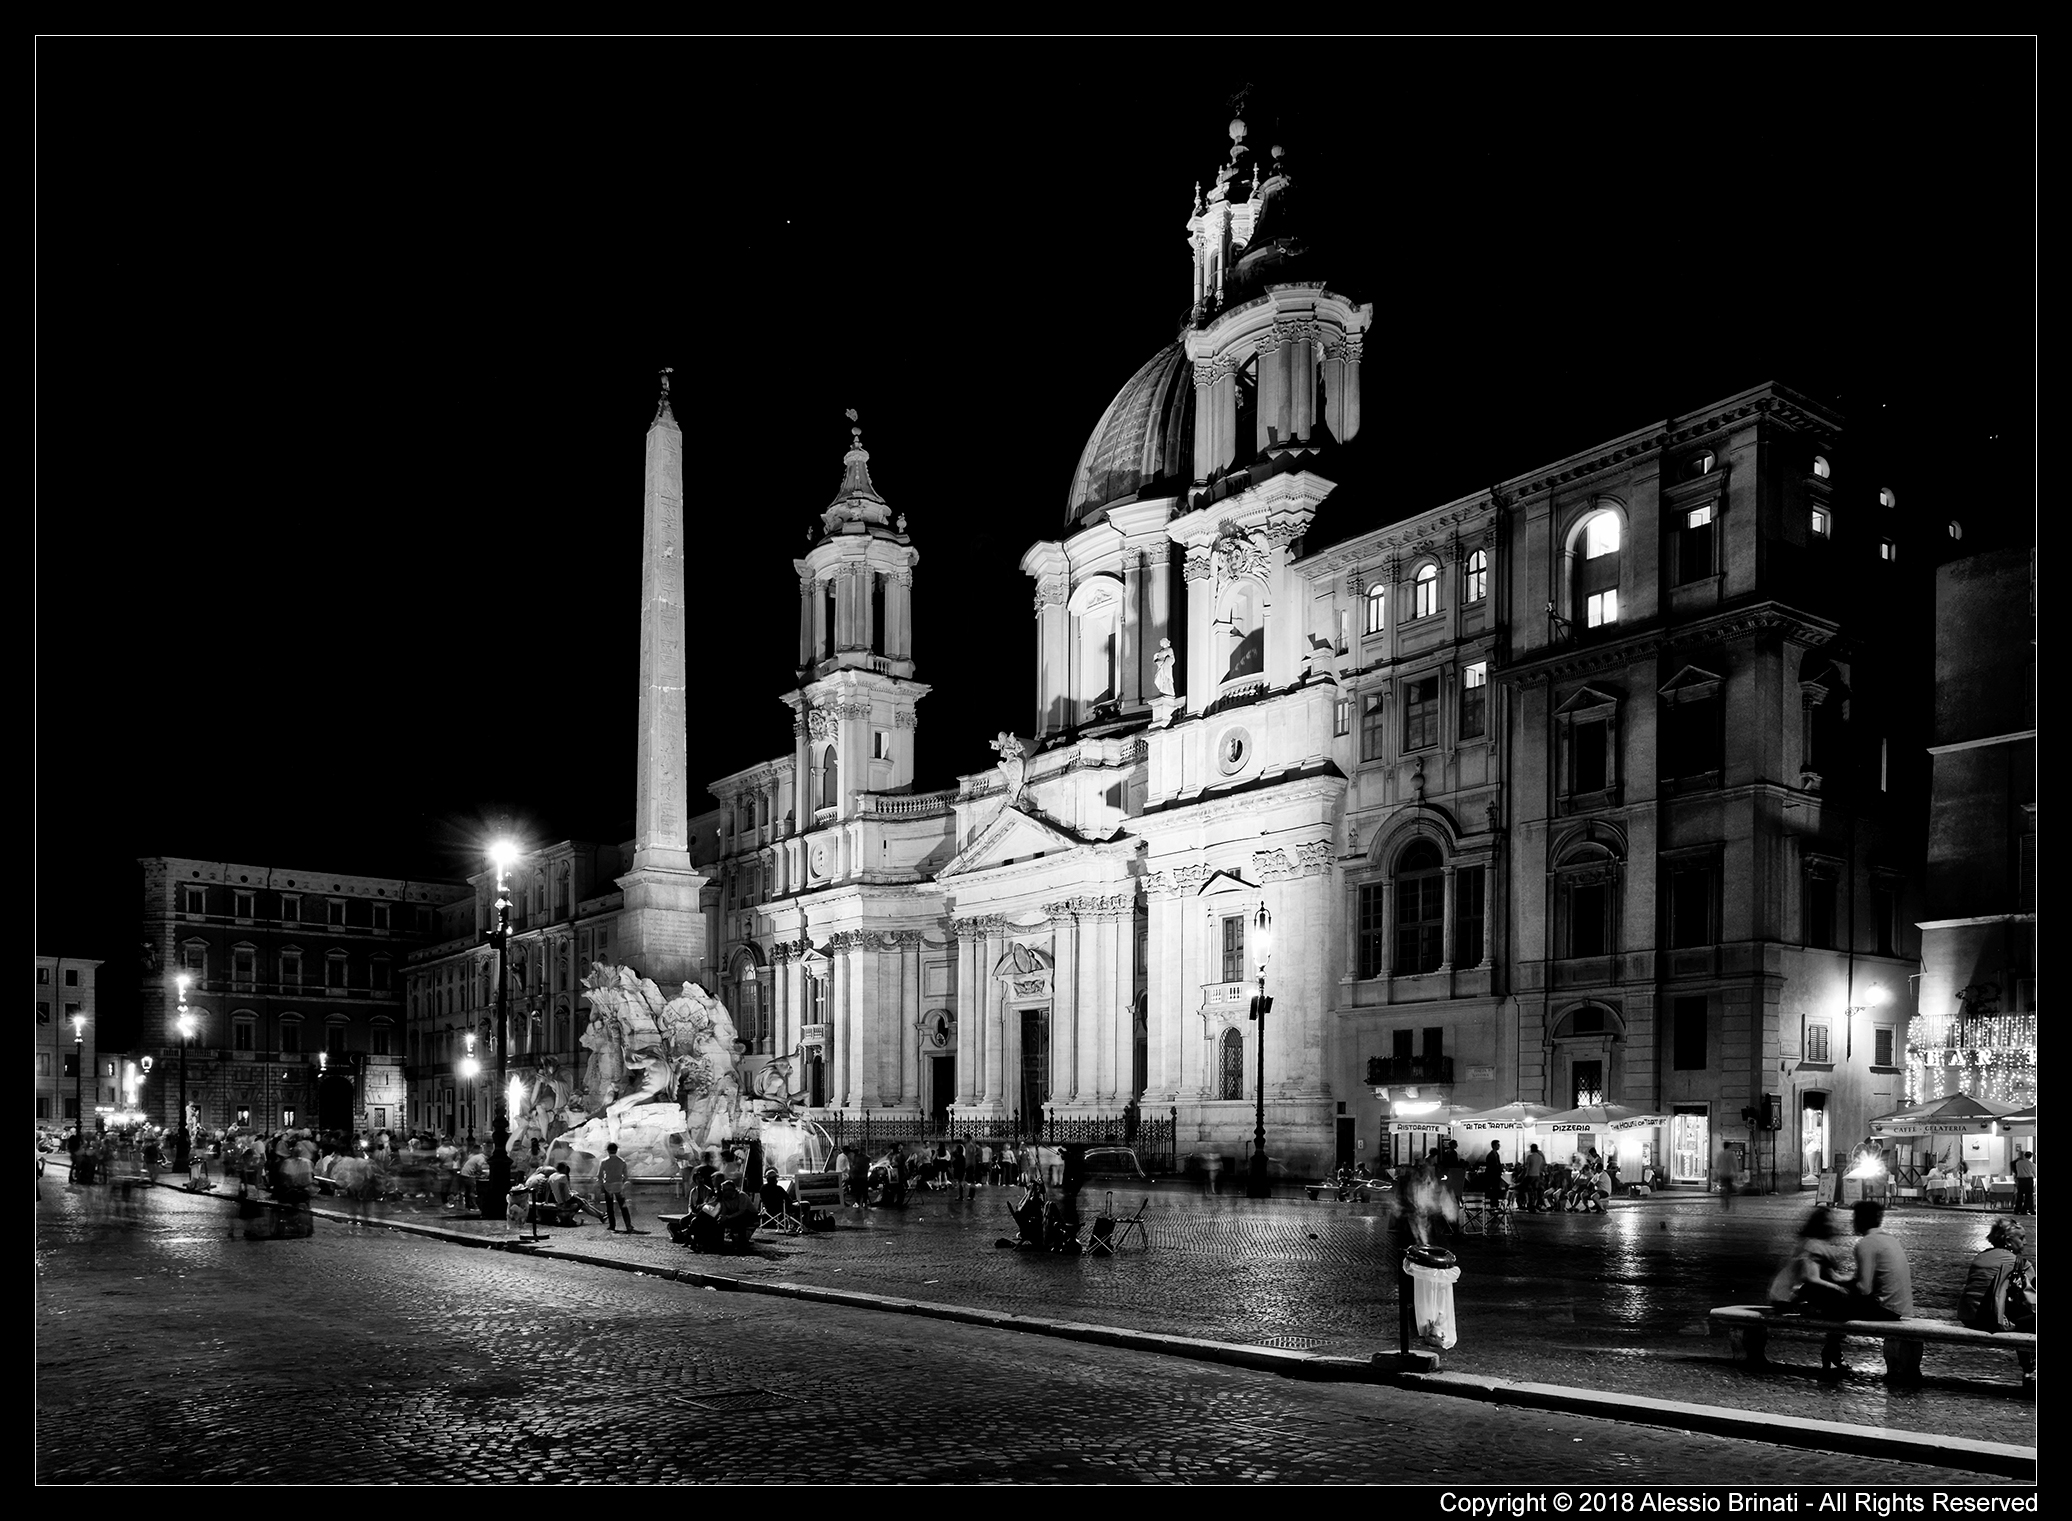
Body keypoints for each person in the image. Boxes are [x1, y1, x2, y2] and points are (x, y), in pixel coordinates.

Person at [1768, 1207, 1857, 1371]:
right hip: (1786, 1299)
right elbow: (1810, 1278)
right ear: (1823, 1225)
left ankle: (1833, 1349)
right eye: (1830, 1221)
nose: (1835, 1225)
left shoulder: (1815, 1244)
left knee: (1838, 1305)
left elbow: (1833, 1276)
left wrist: (1853, 1279)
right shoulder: (1813, 1246)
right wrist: (1838, 1288)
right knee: (1838, 1307)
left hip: (1795, 1294)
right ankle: (1832, 1350)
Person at [1847, 1199, 1920, 1384]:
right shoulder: (1889, 1239)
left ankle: (1832, 1349)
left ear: (1860, 1219)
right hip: (1901, 1307)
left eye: (1854, 1217)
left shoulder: (1866, 1243)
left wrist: (1837, 1286)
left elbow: (1864, 1288)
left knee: (1829, 1303)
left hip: (1885, 1308)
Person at [1956, 1220, 2035, 1380]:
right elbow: (2031, 1301)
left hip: (1969, 1317)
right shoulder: (2020, 1264)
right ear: (2008, 1241)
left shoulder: (1980, 1257)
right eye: (2021, 1238)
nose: (2025, 1242)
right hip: (1993, 1319)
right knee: (2029, 1321)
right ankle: (2032, 1370)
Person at [598, 1142, 634, 1233]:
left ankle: (612, 1225)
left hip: (608, 1186)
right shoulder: (621, 1161)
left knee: (610, 1207)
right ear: (617, 1150)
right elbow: (626, 1176)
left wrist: (601, 1185)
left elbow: (600, 1176)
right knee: (623, 1207)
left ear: (607, 1151)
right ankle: (628, 1225)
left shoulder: (604, 1161)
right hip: (619, 1186)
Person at [1521, 1144, 1547, 1212]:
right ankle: (1535, 1205)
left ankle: (1529, 1204)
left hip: (1530, 1175)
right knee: (1535, 1191)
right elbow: (1542, 1166)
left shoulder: (1530, 1156)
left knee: (1527, 1190)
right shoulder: (1540, 1157)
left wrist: (1523, 1176)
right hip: (1537, 1175)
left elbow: (1527, 1167)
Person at [1715, 1143, 1739, 1211]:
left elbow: (1717, 1164)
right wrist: (1736, 1173)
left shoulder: (1720, 1154)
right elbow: (1735, 1164)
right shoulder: (1732, 1154)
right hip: (1729, 1174)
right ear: (1729, 1146)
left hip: (1722, 1174)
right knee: (1729, 1188)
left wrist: (1717, 1172)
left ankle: (1722, 1200)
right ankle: (1727, 1201)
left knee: (1723, 1186)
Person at [2012, 1150, 2034, 1214]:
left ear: (2024, 1155)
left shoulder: (2018, 1163)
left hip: (2020, 1180)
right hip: (2028, 1180)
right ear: (2030, 1157)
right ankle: (2024, 1210)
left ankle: (2017, 1210)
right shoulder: (2031, 1164)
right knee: (2028, 1196)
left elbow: (2016, 1171)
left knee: (2020, 1195)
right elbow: (2035, 1173)